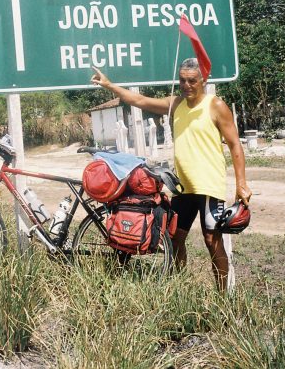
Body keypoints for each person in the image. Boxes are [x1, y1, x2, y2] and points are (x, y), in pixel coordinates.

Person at [90, 58, 252, 291]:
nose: (186, 85)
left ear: (203, 80)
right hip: (183, 186)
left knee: (211, 241)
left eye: (192, 81)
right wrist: (108, 85)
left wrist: (241, 184)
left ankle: (223, 296)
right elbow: (139, 100)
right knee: (175, 239)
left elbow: (235, 145)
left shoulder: (215, 105)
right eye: (182, 80)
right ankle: (179, 287)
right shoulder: (176, 104)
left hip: (208, 186)